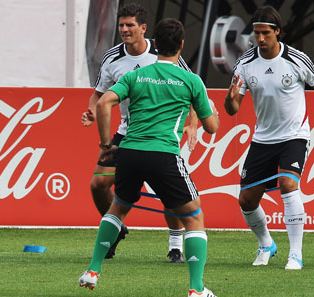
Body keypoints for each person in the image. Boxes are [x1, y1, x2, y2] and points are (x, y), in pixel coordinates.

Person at [79, 18, 219, 297]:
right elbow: (212, 126)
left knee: (118, 207)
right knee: (193, 217)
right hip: (163, 154)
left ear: (155, 45)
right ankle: (196, 290)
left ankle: (93, 270)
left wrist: (106, 143)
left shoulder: (136, 75)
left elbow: (105, 102)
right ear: (181, 45)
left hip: (129, 152)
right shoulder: (191, 80)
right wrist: (208, 112)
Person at [224, 6, 314, 270]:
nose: (260, 39)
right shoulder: (245, 63)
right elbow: (233, 108)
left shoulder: (297, 59)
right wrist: (230, 99)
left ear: (277, 32)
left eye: (265, 33)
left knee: (288, 184)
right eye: (256, 33)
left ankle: (296, 254)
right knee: (246, 200)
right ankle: (266, 243)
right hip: (263, 139)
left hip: (294, 135)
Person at [81, 2, 197, 263]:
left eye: (129, 25)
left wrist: (192, 123)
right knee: (98, 184)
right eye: (121, 25)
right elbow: (99, 95)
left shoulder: (164, 51)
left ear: (143, 28)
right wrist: (91, 111)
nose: (124, 29)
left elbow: (190, 88)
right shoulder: (112, 57)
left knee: (170, 196)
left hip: (163, 132)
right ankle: (115, 229)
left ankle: (175, 245)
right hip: (127, 134)